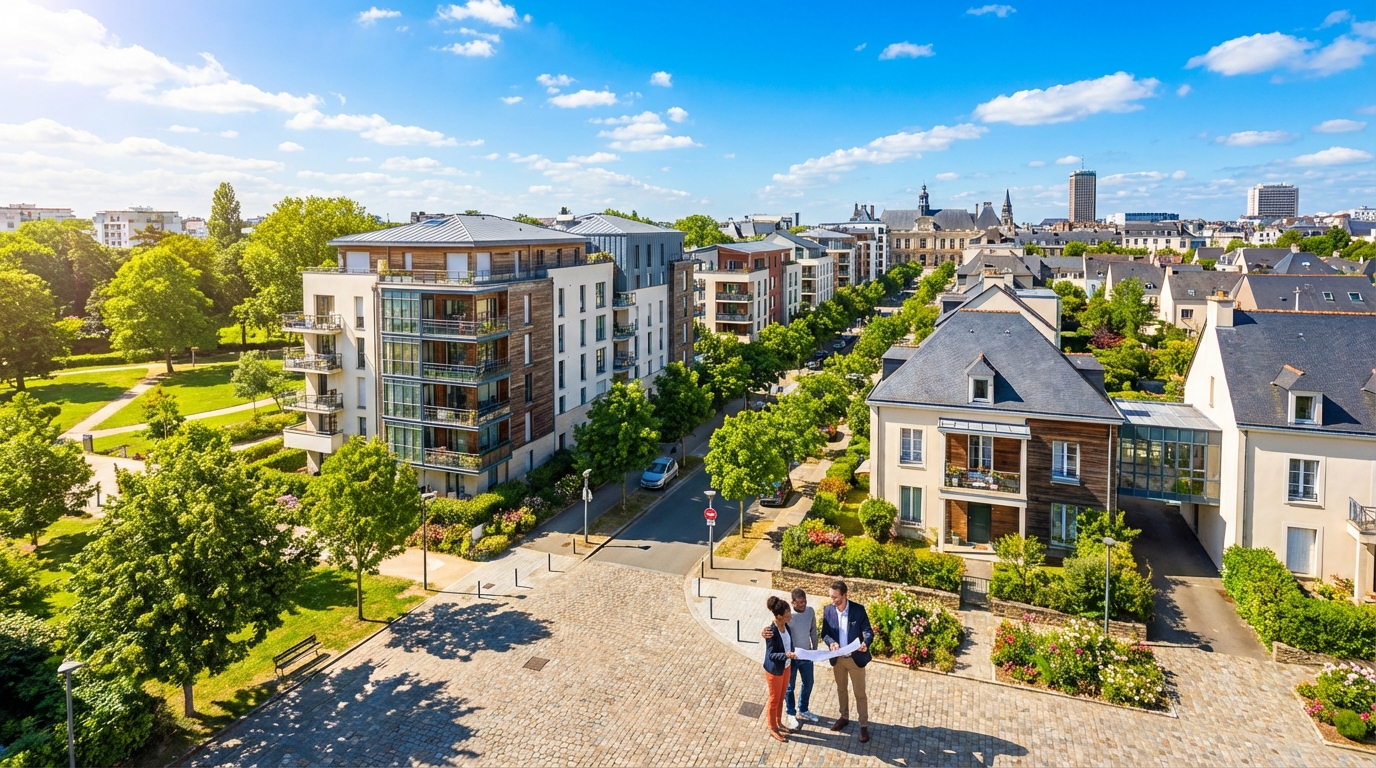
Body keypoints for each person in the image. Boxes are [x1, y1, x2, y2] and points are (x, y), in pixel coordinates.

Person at [820, 580, 874, 743]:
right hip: (838, 660)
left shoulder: (858, 610)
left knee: (860, 693)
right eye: (831, 597)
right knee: (841, 689)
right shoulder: (828, 610)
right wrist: (831, 643)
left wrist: (865, 642)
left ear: (845, 595)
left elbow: (867, 631)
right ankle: (844, 717)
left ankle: (863, 725)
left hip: (855, 659)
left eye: (836, 597)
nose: (833, 600)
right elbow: (825, 633)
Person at [761, 588, 819, 728]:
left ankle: (803, 710)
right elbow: (775, 626)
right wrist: (764, 632)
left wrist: (814, 650)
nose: (802, 605)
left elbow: (813, 630)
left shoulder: (810, 612)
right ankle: (791, 713)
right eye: (799, 603)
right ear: (792, 602)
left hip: (806, 656)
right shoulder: (787, 615)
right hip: (791, 659)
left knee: (809, 683)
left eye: (804, 601)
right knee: (789, 688)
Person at [761, 595, 797, 742]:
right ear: (780, 616)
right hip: (775, 670)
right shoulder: (771, 631)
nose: (790, 614)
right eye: (787, 612)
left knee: (781, 697)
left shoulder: (786, 626)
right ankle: (772, 727)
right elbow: (771, 655)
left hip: (786, 668)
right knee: (774, 699)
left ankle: (779, 722)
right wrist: (785, 655)